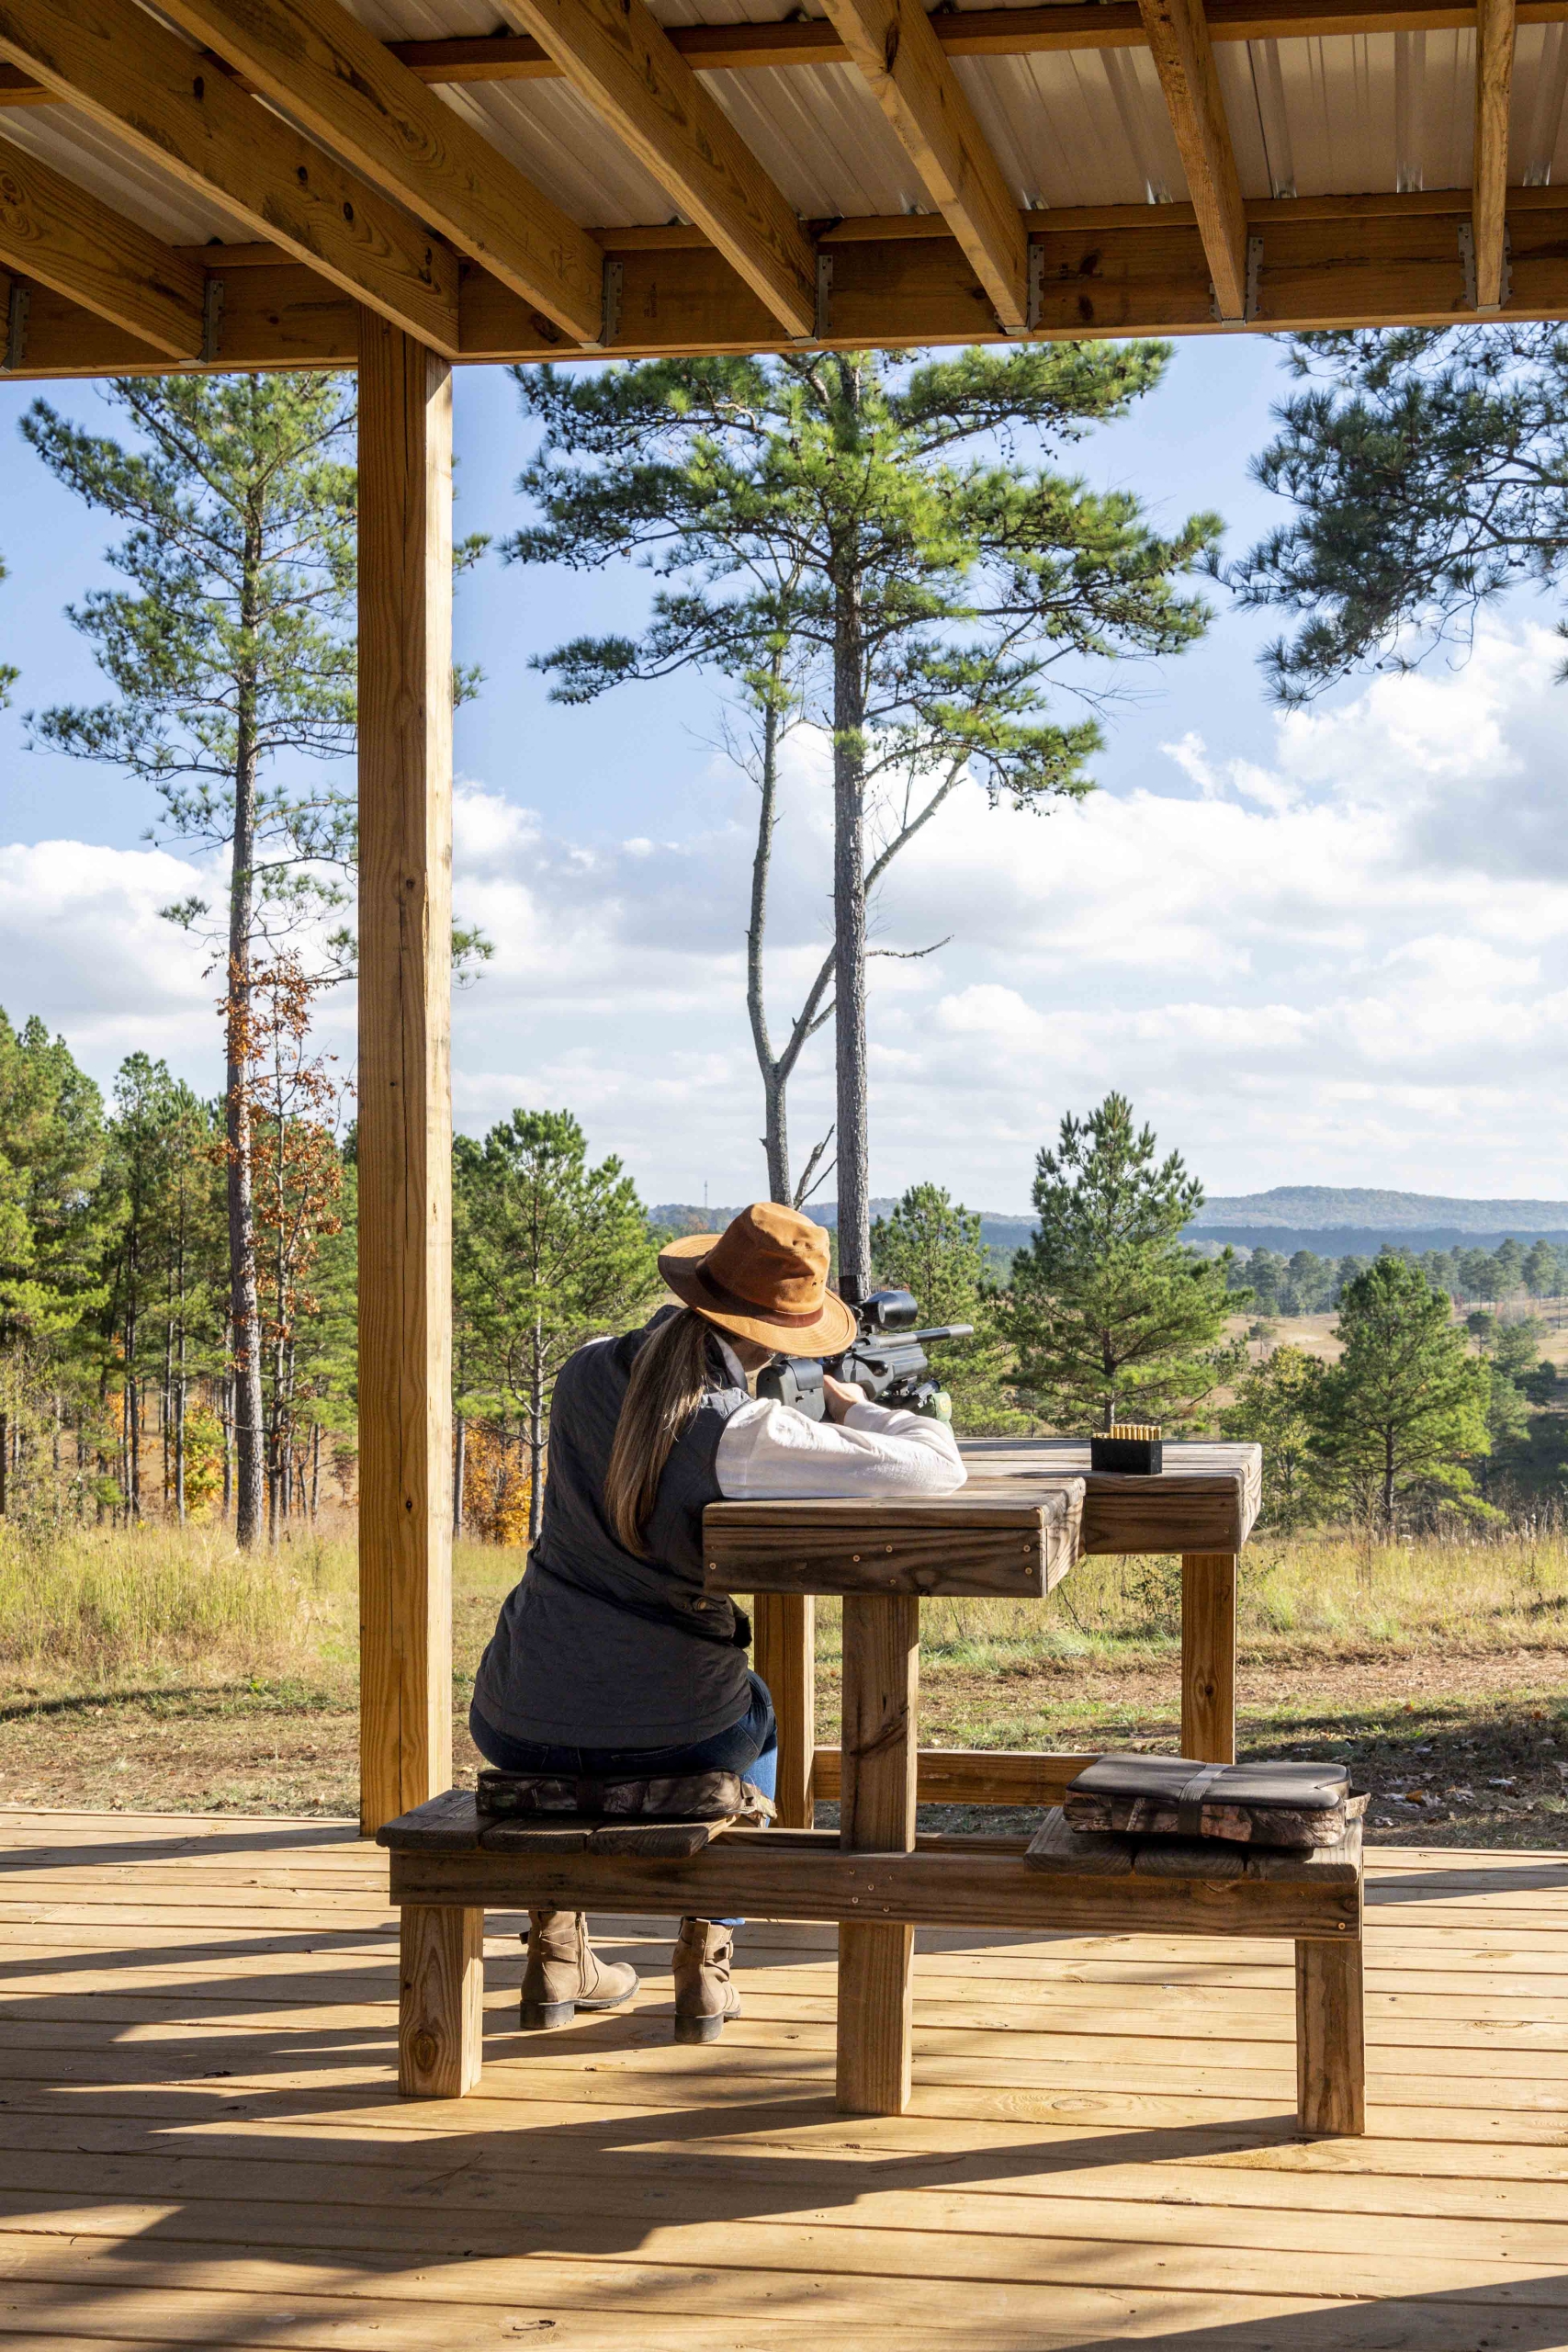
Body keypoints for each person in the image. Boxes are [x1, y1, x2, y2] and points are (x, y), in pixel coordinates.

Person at [470, 1199, 966, 2042]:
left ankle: (556, 1955)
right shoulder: (742, 1432)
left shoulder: (584, 1370)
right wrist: (851, 1409)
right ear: (774, 1340)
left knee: (593, 1708)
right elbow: (935, 1466)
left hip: (513, 1711)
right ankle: (705, 1965)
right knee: (758, 1719)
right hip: (678, 1729)